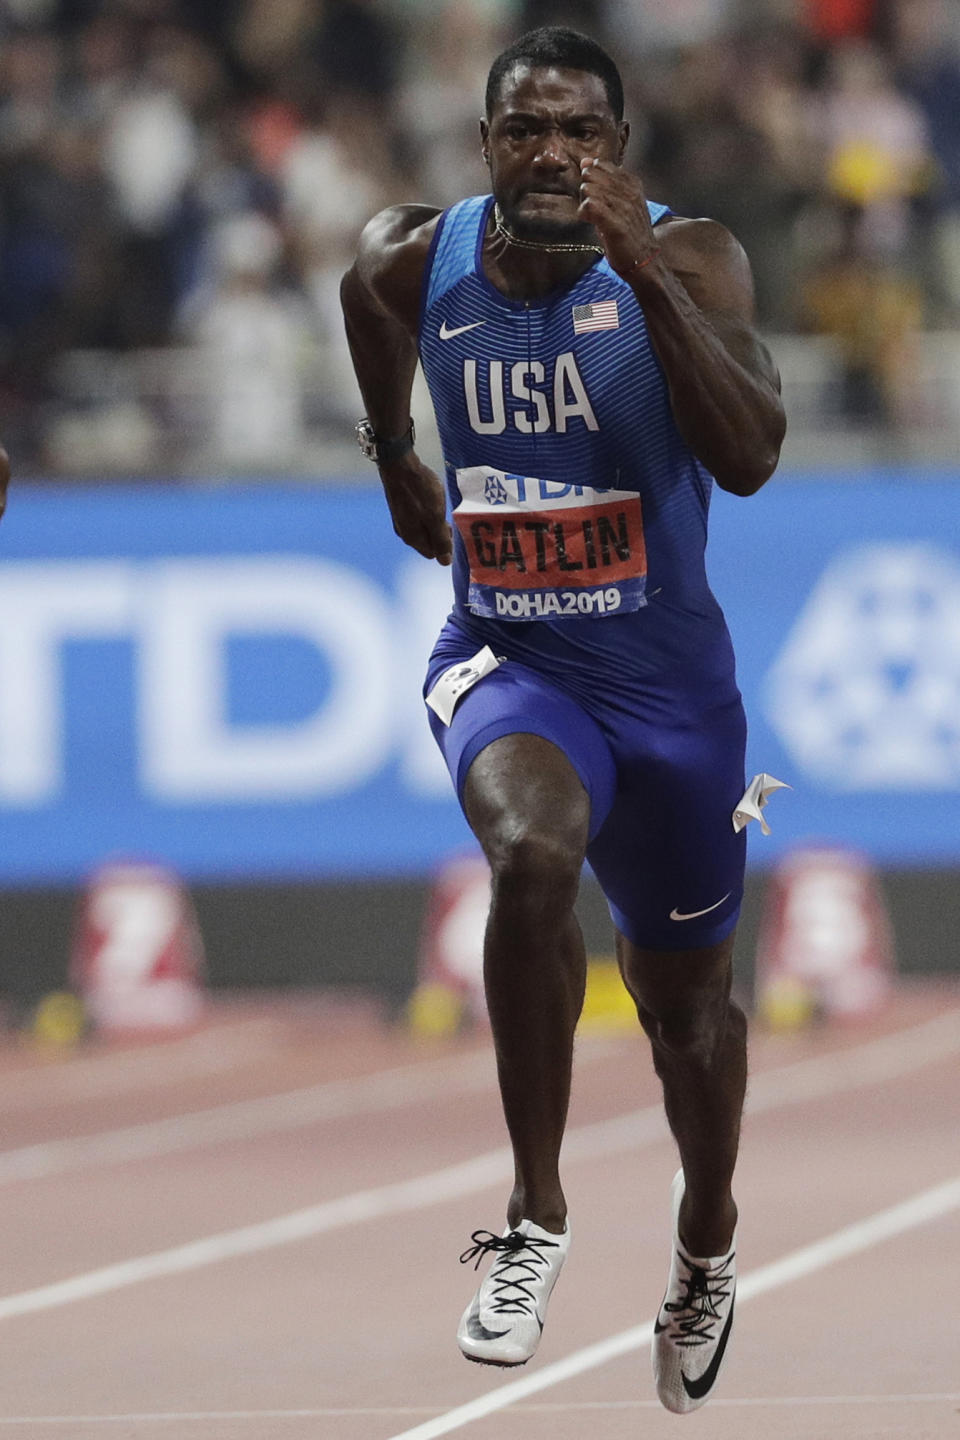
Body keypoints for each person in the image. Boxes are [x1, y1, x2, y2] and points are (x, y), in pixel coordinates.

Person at [341, 25, 785, 1414]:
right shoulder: (425, 256)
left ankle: (706, 1235)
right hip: (512, 658)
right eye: (527, 130)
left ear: (619, 150)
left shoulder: (692, 256)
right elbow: (363, 291)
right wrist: (395, 455)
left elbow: (755, 455)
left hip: (672, 698)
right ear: (487, 148)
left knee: (687, 1013)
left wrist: (640, 272)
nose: (554, 155)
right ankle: (534, 1213)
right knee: (531, 856)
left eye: (581, 133)